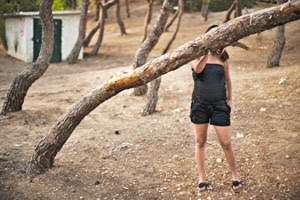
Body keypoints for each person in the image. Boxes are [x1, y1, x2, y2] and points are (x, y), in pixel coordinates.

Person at [188, 25, 242, 191]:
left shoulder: (223, 58)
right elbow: (198, 70)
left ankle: (235, 175)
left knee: (226, 143)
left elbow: (228, 80)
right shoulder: (194, 55)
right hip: (199, 104)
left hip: (219, 104)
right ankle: (202, 177)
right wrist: (206, 51)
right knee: (200, 141)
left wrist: (230, 99)